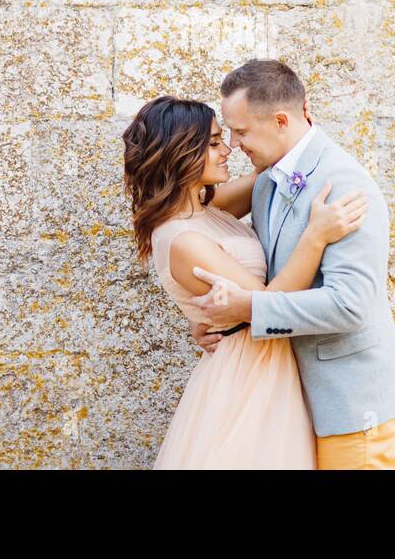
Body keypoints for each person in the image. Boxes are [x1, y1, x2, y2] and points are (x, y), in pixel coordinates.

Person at [188, 59, 395, 469]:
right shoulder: (265, 181)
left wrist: (247, 309)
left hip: (351, 401)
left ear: (280, 120)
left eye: (241, 131)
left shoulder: (344, 185)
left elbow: (350, 304)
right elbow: (258, 270)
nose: (235, 145)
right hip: (298, 400)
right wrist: (215, 319)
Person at [122, 94, 368, 468]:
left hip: (266, 360)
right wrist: (316, 236)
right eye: (215, 143)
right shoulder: (183, 239)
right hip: (248, 373)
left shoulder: (207, 210)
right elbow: (269, 302)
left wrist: (299, 128)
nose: (229, 150)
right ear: (179, 152)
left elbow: (266, 170)